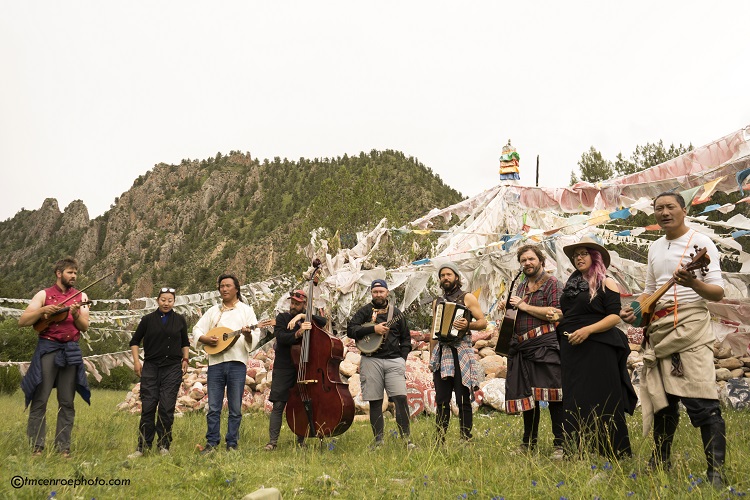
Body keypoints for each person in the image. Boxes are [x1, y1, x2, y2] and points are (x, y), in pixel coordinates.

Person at [621, 192, 727, 488]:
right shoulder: (655, 247)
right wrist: (634, 311)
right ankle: (660, 460)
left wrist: (693, 282)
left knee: (703, 401)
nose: (664, 212)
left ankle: (716, 473)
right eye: (658, 208)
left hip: (691, 327)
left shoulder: (702, 242)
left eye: (670, 207)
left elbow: (718, 292)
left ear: (683, 210)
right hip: (660, 328)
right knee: (663, 401)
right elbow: (650, 290)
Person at [557, 235, 637, 459]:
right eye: (575, 255)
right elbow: (575, 312)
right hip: (572, 347)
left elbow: (613, 317)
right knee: (575, 398)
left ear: (594, 257)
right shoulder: (571, 284)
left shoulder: (607, 281)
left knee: (603, 397)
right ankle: (577, 449)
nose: (578, 258)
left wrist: (588, 330)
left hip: (598, 346)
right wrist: (561, 317)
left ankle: (613, 451)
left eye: (583, 253)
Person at [19, 258, 91, 458]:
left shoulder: (81, 296)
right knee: (40, 399)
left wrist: (76, 315)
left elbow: (84, 326)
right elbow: (23, 321)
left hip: (70, 351)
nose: (74, 276)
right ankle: (37, 447)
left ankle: (63, 448)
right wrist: (42, 310)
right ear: (59, 273)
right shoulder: (43, 294)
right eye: (70, 272)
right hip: (48, 349)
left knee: (67, 401)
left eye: (75, 272)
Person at [504, 244, 565, 459]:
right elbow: (515, 311)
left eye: (531, 259)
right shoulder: (519, 287)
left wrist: (524, 306)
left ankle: (560, 444)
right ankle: (528, 442)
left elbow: (558, 314)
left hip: (545, 345)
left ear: (541, 260)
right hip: (521, 347)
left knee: (554, 394)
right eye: (523, 260)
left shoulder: (552, 284)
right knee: (527, 397)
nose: (527, 263)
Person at [193, 273, 262, 454]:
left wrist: (247, 334)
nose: (224, 289)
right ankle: (211, 444)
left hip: (237, 364)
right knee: (214, 407)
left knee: (234, 407)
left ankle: (232, 444)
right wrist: (206, 338)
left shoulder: (246, 311)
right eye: (221, 286)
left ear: (236, 289)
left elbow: (254, 336)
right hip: (215, 363)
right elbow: (197, 329)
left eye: (227, 286)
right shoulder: (213, 311)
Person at [348, 279, 415, 449]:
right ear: (371, 293)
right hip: (371, 360)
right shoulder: (364, 312)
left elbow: (406, 339)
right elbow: (351, 330)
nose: (378, 294)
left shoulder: (397, 313)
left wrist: (402, 359)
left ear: (387, 293)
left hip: (394, 361)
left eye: (381, 291)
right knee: (375, 401)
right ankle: (379, 442)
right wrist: (373, 329)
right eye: (375, 292)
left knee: (400, 399)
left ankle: (406, 440)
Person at [127, 287, 190, 458]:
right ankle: (142, 447)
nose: (166, 303)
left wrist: (185, 360)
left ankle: (163, 444)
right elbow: (134, 342)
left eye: (170, 300)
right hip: (150, 367)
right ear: (157, 300)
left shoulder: (179, 320)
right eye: (163, 300)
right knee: (148, 406)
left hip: (172, 368)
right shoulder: (147, 320)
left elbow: (185, 342)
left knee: (167, 407)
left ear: (174, 302)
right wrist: (136, 362)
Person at [429, 263, 486, 442]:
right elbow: (434, 331)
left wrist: (467, 325)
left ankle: (465, 438)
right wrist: (432, 357)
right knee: (442, 398)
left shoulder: (467, 297)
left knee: (463, 397)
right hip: (443, 350)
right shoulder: (437, 302)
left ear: (457, 277)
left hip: (461, 349)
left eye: (449, 274)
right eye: (442, 275)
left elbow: (483, 322)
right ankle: (440, 439)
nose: (445, 278)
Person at [265, 289, 327, 450]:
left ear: (304, 304)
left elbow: (323, 321)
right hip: (284, 367)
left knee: (302, 404)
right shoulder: (282, 318)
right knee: (278, 404)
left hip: (304, 367)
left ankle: (301, 441)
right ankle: (272, 442)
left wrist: (302, 317)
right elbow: (281, 337)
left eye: (297, 304)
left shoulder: (308, 319)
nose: (293, 306)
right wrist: (298, 333)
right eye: (292, 303)